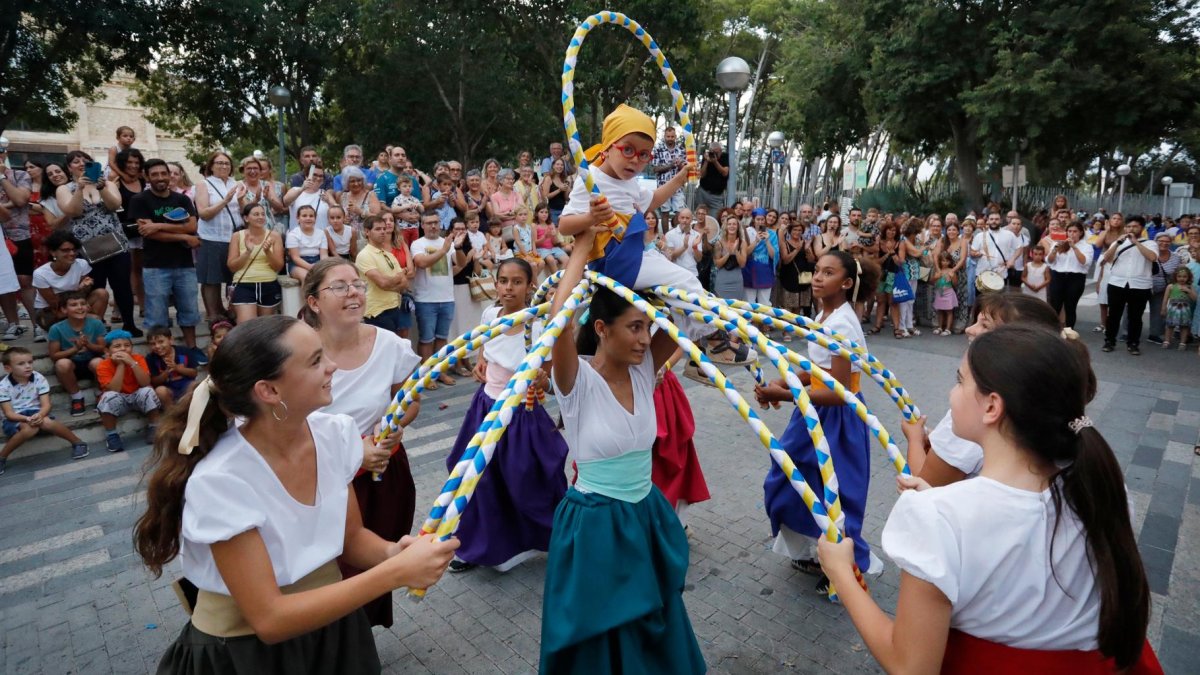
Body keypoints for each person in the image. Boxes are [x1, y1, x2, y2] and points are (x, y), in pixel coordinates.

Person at [819, 325, 1159, 674]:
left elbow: (911, 667)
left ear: (992, 406)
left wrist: (841, 573)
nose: (952, 392)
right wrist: (942, 504)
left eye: (960, 380)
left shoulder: (936, 516)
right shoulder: (1101, 488)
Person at [134, 315, 456, 670]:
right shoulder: (222, 479)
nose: (332, 366)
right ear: (269, 391)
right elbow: (270, 619)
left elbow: (351, 538)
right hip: (246, 652)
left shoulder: (335, 435)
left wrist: (394, 552)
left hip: (334, 630)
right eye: (315, 361)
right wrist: (395, 572)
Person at [541, 235, 706, 674]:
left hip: (645, 514)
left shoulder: (645, 368)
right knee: (604, 633)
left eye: (648, 327)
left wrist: (630, 257)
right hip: (595, 525)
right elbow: (558, 321)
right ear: (601, 328)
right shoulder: (575, 380)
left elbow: (693, 304)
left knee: (653, 624)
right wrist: (584, 247)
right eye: (635, 327)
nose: (645, 338)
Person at [302, 259, 427, 628]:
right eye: (339, 287)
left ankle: (356, 638)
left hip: (383, 471)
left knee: (373, 565)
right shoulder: (295, 350)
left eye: (357, 284)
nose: (353, 293)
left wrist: (393, 427)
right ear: (313, 302)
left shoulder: (390, 344)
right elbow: (287, 422)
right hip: (320, 476)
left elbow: (409, 401)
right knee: (329, 570)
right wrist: (355, 452)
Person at [756, 250, 882, 594]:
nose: (818, 277)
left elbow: (840, 391)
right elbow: (818, 369)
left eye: (828, 273)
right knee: (793, 478)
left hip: (836, 418)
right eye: (817, 271)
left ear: (847, 283)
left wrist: (785, 394)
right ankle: (816, 553)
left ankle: (844, 571)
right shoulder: (825, 313)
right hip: (812, 410)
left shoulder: (841, 324)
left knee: (836, 492)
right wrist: (785, 381)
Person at [447, 258, 569, 573]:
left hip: (520, 414)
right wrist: (482, 362)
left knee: (527, 477)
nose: (508, 288)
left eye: (517, 282)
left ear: (530, 286)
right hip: (486, 407)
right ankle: (475, 545)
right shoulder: (491, 314)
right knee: (476, 478)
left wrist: (540, 381)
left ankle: (556, 537)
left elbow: (548, 373)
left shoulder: (539, 325)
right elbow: (485, 346)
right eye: (503, 281)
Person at [557, 104, 712, 345]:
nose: (635, 161)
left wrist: (680, 178)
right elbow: (564, 226)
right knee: (687, 282)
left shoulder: (629, 181)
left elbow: (654, 200)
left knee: (686, 291)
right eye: (627, 150)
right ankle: (711, 337)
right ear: (608, 147)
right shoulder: (591, 178)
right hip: (616, 260)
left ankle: (695, 337)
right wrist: (590, 218)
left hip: (634, 254)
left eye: (644, 155)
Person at [905, 293, 1097, 486]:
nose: (969, 329)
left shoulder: (973, 415)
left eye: (985, 326)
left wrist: (914, 439)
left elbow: (923, 485)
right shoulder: (1044, 409)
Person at [57, 150, 139, 337]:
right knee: (95, 287)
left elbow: (115, 205)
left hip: (116, 243)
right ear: (69, 168)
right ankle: (96, 325)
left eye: (85, 160)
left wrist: (102, 188)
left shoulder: (107, 183)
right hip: (87, 248)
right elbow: (73, 211)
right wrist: (79, 189)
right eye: (76, 161)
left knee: (122, 285)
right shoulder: (64, 189)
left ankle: (129, 323)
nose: (81, 163)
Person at [128, 158, 202, 350]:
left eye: (163, 173)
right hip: (155, 266)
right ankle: (159, 354)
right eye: (155, 174)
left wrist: (158, 225)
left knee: (189, 310)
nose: (160, 178)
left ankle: (192, 349)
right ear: (146, 177)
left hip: (184, 265)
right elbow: (148, 233)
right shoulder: (139, 200)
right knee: (157, 315)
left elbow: (192, 226)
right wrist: (183, 237)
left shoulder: (182, 199)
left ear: (169, 176)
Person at [0, 347, 89, 473]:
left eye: (30, 362)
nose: (27, 366)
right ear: (8, 368)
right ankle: (2, 457)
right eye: (21, 364)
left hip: (36, 411)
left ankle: (78, 442)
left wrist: (40, 414)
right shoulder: (3, 386)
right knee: (29, 429)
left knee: (47, 422)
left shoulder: (38, 378)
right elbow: (9, 413)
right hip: (16, 417)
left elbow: (46, 405)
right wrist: (26, 419)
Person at [412, 212, 467, 378]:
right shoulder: (417, 243)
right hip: (426, 300)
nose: (433, 226)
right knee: (426, 339)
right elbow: (421, 263)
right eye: (429, 223)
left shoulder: (446, 242)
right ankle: (426, 376)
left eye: (436, 222)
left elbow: (461, 263)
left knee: (442, 339)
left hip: (447, 298)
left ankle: (439, 373)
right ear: (422, 225)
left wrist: (458, 247)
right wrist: (444, 250)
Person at [194, 151, 244, 322]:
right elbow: (203, 214)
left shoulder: (237, 184)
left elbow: (244, 211)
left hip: (234, 237)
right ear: (211, 166)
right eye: (219, 163)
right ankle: (213, 314)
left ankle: (231, 309)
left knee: (233, 277)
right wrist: (225, 201)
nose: (223, 166)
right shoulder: (204, 184)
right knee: (211, 279)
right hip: (212, 237)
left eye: (226, 163)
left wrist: (242, 200)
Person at [95, 329, 161, 452]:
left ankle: (154, 426)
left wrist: (131, 363)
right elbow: (115, 389)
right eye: (117, 346)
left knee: (148, 391)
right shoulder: (103, 365)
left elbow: (145, 382)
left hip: (137, 395)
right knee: (108, 397)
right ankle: (112, 435)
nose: (123, 349)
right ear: (107, 351)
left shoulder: (138, 359)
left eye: (127, 345)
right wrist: (121, 365)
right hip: (119, 398)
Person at [1101, 215, 1156, 355]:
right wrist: (1117, 244)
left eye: (1135, 226)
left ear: (1142, 228)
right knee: (1113, 315)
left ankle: (1133, 343)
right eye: (1129, 226)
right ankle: (1109, 341)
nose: (1131, 229)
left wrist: (1136, 242)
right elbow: (1106, 259)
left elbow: (1152, 257)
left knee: (1135, 317)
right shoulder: (1118, 242)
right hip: (1117, 283)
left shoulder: (1150, 243)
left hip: (1140, 285)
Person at [32, 231, 108, 331]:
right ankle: (88, 326)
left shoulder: (81, 264)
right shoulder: (40, 273)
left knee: (101, 293)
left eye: (73, 250)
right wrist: (78, 291)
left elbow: (82, 296)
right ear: (53, 252)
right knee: (93, 318)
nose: (72, 253)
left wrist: (86, 287)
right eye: (65, 250)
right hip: (50, 311)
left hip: (72, 305)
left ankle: (90, 331)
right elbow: (55, 304)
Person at [48, 292, 106, 416]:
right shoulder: (56, 328)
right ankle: (77, 397)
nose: (80, 307)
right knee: (62, 364)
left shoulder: (96, 324)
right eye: (74, 305)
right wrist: (75, 348)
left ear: (88, 307)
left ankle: (100, 394)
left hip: (91, 361)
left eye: (83, 304)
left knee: (99, 362)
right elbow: (54, 355)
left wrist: (88, 345)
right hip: (71, 365)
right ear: (64, 310)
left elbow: (102, 348)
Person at [227, 203, 285, 324]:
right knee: (246, 326)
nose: (261, 217)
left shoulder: (274, 236)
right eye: (256, 214)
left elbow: (278, 266)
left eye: (263, 214)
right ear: (246, 218)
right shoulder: (237, 236)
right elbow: (232, 266)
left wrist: (268, 252)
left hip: (268, 283)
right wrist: (248, 252)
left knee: (266, 327)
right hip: (244, 284)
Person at [1046, 221, 1094, 329]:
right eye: (1069, 231)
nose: (1072, 234)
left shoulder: (1086, 246)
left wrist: (1074, 247)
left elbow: (1084, 262)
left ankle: (1069, 330)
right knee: (1055, 306)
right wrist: (1054, 250)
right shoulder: (1058, 243)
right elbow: (1050, 261)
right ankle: (1052, 330)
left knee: (1070, 307)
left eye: (1075, 231)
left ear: (1081, 233)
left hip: (1075, 278)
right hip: (1058, 276)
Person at [145, 326, 199, 408]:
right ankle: (171, 411)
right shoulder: (151, 358)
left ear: (171, 340)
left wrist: (177, 368)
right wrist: (166, 372)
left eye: (161, 342)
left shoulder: (184, 351)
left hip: (186, 385)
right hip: (168, 389)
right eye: (153, 344)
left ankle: (184, 408)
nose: (157, 346)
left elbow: (194, 373)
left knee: (195, 385)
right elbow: (154, 381)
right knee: (160, 391)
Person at [286, 205, 329, 283]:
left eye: (311, 216)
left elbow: (324, 255)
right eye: (304, 216)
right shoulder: (293, 234)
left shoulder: (321, 233)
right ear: (298, 218)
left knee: (327, 276)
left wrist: (321, 266)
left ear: (315, 218)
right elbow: (295, 257)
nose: (308, 218)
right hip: (298, 264)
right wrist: (310, 267)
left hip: (318, 261)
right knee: (306, 277)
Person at [651, 126, 688, 215]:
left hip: (678, 186)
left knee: (680, 213)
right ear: (664, 136)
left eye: (672, 136)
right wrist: (670, 165)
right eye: (668, 136)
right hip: (663, 186)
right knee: (665, 213)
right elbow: (655, 169)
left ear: (675, 137)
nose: (670, 139)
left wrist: (680, 165)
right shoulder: (658, 149)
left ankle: (676, 224)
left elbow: (685, 168)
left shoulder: (681, 150)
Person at [1162, 266, 1196, 350]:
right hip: (1173, 310)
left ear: (1188, 277)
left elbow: (1195, 298)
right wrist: (1163, 308)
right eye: (1179, 276)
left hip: (1185, 310)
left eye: (1184, 276)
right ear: (1175, 277)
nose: (1182, 278)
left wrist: (1188, 291)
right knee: (1170, 325)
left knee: (1184, 326)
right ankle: (1167, 341)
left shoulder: (1189, 286)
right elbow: (1165, 299)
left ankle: (1182, 342)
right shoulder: (1171, 286)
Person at [932, 250, 959, 335]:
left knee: (949, 311)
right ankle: (940, 327)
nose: (945, 262)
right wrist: (936, 278)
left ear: (950, 261)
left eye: (947, 260)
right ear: (940, 261)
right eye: (943, 260)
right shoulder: (938, 271)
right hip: (939, 292)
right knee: (940, 310)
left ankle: (948, 329)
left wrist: (952, 277)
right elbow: (931, 282)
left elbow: (955, 284)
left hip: (949, 292)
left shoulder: (951, 271)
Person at [696, 142, 729, 210]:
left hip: (716, 195)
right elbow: (702, 175)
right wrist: (706, 161)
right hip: (703, 191)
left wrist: (715, 162)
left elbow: (725, 173)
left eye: (717, 152)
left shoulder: (725, 157)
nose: (715, 154)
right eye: (713, 152)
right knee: (700, 213)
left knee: (716, 215)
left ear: (721, 151)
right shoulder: (707, 157)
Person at [539, 158, 571, 225]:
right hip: (552, 210)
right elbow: (545, 196)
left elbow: (566, 198)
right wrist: (559, 190)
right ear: (553, 166)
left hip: (563, 210)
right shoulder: (548, 178)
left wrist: (568, 189)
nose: (560, 166)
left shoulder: (563, 179)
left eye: (562, 165)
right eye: (557, 164)